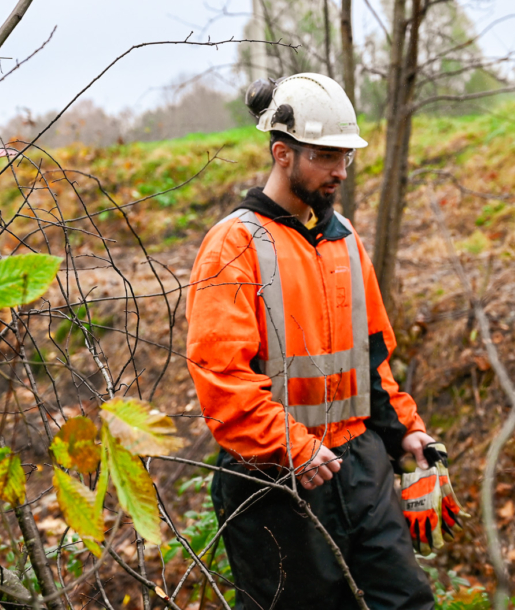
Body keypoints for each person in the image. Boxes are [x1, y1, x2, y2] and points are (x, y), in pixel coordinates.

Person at [185, 72, 439, 610]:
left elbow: (373, 359)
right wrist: (293, 445)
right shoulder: (234, 244)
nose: (340, 171)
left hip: (359, 466)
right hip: (275, 481)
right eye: (325, 156)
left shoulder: (344, 239)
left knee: (408, 602)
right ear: (283, 153)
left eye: (344, 156)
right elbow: (220, 376)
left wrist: (405, 434)